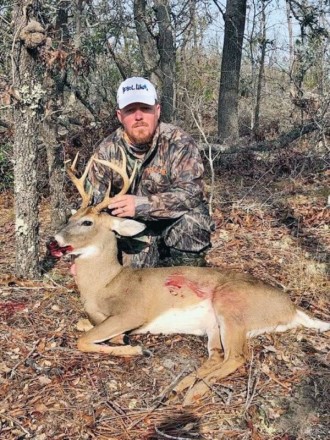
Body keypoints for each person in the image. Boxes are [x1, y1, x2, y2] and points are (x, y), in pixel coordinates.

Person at [88, 77, 213, 268]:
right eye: (130, 110)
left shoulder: (179, 142)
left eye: (145, 109)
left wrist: (141, 205)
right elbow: (92, 210)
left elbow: (191, 194)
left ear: (157, 111)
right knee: (135, 283)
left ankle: (186, 284)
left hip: (172, 224)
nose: (139, 117)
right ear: (120, 116)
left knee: (192, 221)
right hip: (133, 231)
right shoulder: (106, 151)